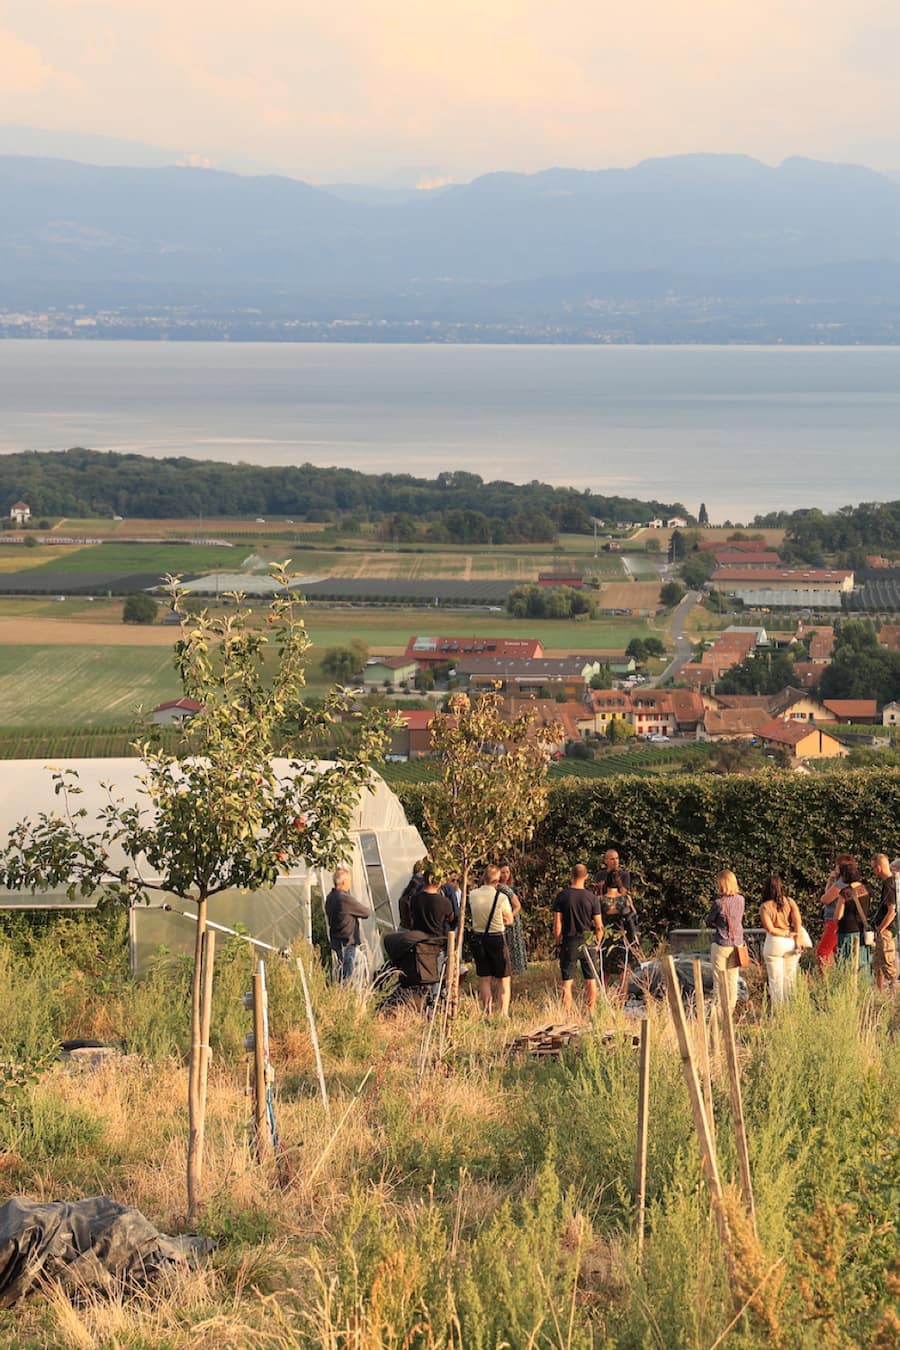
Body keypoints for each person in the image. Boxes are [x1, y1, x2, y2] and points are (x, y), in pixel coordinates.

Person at [552, 863, 605, 1014]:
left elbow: (557, 924)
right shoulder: (592, 898)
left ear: (571, 875)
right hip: (588, 940)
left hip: (569, 941)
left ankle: (567, 1013)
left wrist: (558, 942)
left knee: (567, 982)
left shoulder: (562, 896)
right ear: (586, 877)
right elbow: (599, 926)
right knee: (591, 979)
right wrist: (597, 942)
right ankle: (591, 1011)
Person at [468, 864, 514, 1016]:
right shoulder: (501, 898)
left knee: (484, 977)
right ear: (497, 880)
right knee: (504, 978)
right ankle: (503, 1013)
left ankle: (487, 1012)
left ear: (483, 878)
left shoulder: (472, 894)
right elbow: (509, 920)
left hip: (478, 937)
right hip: (496, 937)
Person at [759, 874, 803, 1008]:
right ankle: (791, 1009)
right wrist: (797, 938)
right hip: (791, 942)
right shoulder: (790, 902)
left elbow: (771, 929)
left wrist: (784, 934)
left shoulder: (765, 907)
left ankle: (778, 1011)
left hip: (775, 942)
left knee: (775, 980)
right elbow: (798, 922)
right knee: (790, 978)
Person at [706, 869, 746, 1014]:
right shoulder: (741, 900)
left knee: (719, 981)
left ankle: (718, 1013)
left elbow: (709, 921)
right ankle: (729, 1012)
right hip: (737, 945)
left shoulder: (719, 903)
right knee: (732, 981)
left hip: (721, 944)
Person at [325, 866, 370, 982]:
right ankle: (350, 992)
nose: (350, 884)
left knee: (340, 973)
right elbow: (366, 913)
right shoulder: (344, 899)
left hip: (336, 942)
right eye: (349, 881)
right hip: (347, 942)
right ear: (344, 882)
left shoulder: (330, 898)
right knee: (349, 976)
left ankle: (340, 991)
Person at [817, 853, 856, 971]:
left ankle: (825, 978)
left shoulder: (840, 884)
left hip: (834, 921)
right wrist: (830, 880)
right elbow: (828, 892)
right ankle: (835, 975)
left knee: (823, 951)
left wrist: (831, 883)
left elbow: (825, 899)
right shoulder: (848, 882)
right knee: (836, 952)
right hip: (841, 922)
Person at [833, 860, 872, 977]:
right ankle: (863, 984)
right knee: (862, 962)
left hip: (847, 931)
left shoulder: (845, 893)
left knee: (847, 963)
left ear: (845, 876)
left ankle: (849, 986)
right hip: (862, 931)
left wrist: (836, 923)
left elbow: (838, 916)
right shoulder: (867, 889)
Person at [870, 854, 897, 993]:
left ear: (879, 868)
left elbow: (892, 911)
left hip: (886, 930)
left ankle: (894, 995)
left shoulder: (888, 884)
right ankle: (879, 994)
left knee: (888, 964)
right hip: (884, 929)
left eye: (873, 868)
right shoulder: (892, 882)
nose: (874, 871)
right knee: (878, 964)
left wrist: (880, 929)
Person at [598, 867, 640, 956]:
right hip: (624, 939)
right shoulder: (626, 899)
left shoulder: (600, 900)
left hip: (607, 938)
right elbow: (634, 917)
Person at [498, 862, 528, 975]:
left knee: (514, 944)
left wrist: (510, 916)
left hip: (511, 919)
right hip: (502, 919)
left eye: (507, 872)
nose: (505, 875)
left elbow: (517, 905)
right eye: (502, 872)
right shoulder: (499, 887)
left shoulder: (507, 889)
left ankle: (517, 969)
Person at [411, 869, 456, 939]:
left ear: (424, 881)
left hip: (418, 939)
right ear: (439, 883)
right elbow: (451, 918)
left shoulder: (414, 898)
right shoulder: (445, 902)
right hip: (436, 940)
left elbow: (411, 915)